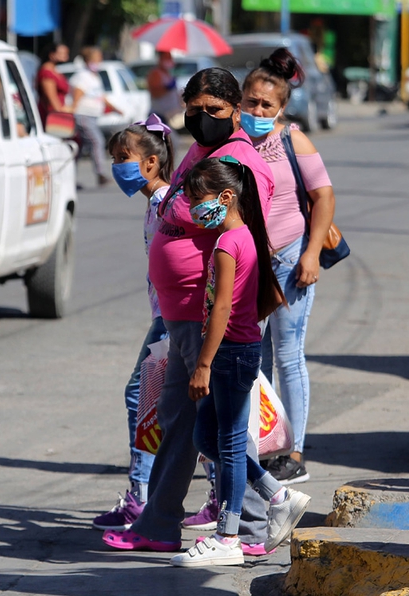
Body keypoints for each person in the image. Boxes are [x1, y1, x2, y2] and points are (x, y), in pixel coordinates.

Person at [102, 67, 277, 556]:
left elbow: (239, 234)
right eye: (193, 110)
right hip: (177, 310)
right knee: (180, 418)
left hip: (206, 314)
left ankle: (255, 522)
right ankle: (159, 522)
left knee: (221, 422)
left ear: (235, 110)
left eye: (212, 110)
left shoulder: (239, 162)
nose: (202, 118)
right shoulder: (203, 151)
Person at [170, 156, 311, 567]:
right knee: (207, 438)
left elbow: (222, 308)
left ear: (226, 197)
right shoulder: (242, 236)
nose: (193, 208)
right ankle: (277, 494)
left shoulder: (229, 244)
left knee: (230, 444)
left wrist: (203, 364)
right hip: (236, 351)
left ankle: (228, 536)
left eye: (198, 199)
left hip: (231, 353)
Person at [240, 48, 336, 485]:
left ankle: (294, 452)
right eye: (251, 102)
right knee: (253, 358)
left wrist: (311, 254)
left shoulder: (293, 141)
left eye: (267, 104)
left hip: (290, 261)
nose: (258, 111)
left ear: (281, 107)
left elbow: (324, 197)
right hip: (246, 267)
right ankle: (262, 443)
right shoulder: (233, 141)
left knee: (288, 356)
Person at [91, 114, 175, 531]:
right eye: (113, 158)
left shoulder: (166, 204)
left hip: (172, 318)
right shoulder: (155, 203)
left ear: (151, 162)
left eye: (123, 158)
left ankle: (140, 497)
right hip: (169, 315)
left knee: (140, 397)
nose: (116, 167)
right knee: (180, 406)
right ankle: (213, 496)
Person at [69, 47, 122, 186]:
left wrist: (115, 109)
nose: (100, 61)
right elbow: (77, 95)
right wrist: (72, 111)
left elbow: (101, 97)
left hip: (92, 116)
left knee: (79, 148)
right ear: (89, 60)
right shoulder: (82, 76)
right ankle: (100, 174)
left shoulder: (94, 76)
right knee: (96, 141)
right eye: (97, 58)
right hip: (83, 115)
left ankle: (70, 179)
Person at [35, 43, 71, 125]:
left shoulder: (55, 70)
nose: (66, 56)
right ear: (52, 55)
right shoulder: (47, 72)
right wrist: (60, 113)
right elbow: (51, 97)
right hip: (52, 113)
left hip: (60, 110)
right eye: (62, 53)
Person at [147, 51, 183, 126]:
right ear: (160, 59)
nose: (170, 60)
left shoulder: (167, 73)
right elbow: (155, 93)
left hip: (170, 116)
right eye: (167, 58)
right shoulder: (155, 73)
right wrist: (167, 88)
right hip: (159, 116)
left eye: (170, 58)